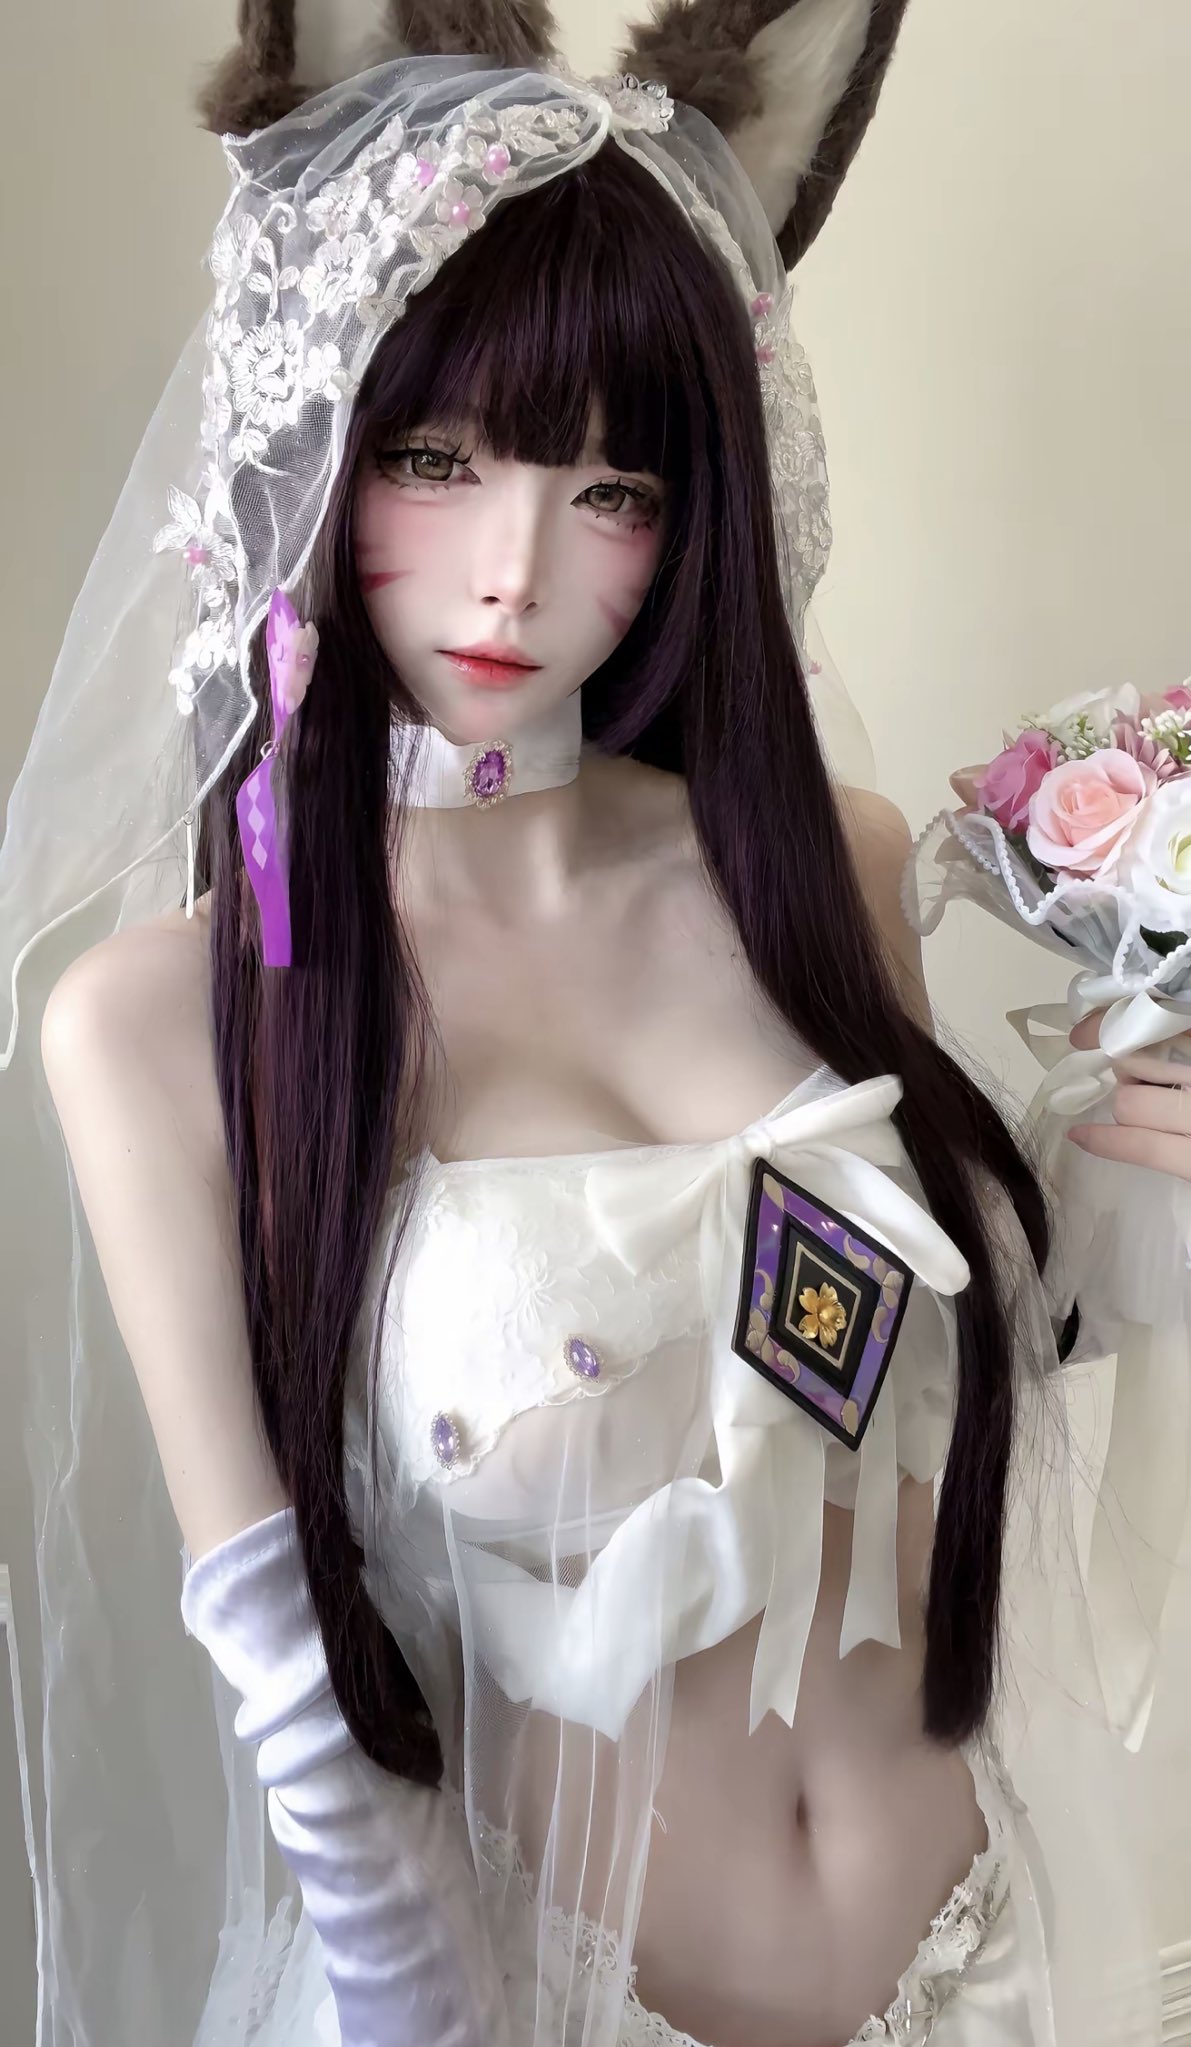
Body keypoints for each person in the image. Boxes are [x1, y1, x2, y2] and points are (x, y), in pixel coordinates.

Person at [4, 5, 1185, 2044]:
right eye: (437, 462)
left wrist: (1118, 1192)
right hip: (549, 2002)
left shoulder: (823, 864)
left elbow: (911, 1383)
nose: (513, 572)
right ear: (313, 447)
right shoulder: (170, 1022)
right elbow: (285, 1665)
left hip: (998, 1957)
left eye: (610, 486)